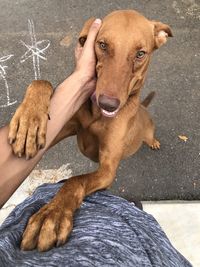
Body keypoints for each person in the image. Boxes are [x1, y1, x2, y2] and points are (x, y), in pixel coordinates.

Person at [0, 19, 191, 267]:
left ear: (160, 38)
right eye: (103, 47)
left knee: (148, 134)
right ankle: (132, 209)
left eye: (139, 55)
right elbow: (38, 137)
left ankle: (151, 140)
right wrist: (39, 91)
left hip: (137, 129)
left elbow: (106, 173)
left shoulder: (157, 34)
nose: (110, 96)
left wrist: (72, 191)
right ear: (87, 40)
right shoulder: (86, 102)